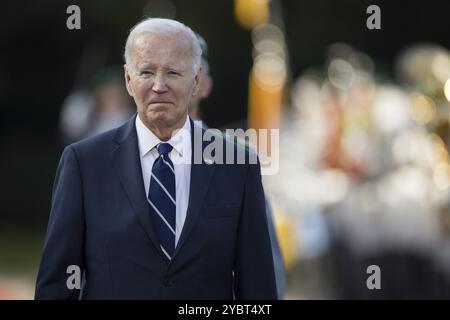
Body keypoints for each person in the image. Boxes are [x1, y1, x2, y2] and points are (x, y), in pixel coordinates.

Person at [35, 18, 277, 300]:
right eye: (147, 72)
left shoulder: (238, 165)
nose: (159, 86)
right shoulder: (84, 163)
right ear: (128, 79)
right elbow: (57, 285)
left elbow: (258, 290)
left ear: (196, 80)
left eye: (173, 72)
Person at [188, 33, 286, 299]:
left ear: (204, 84)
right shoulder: (106, 158)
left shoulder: (235, 161)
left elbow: (265, 266)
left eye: (185, 72)